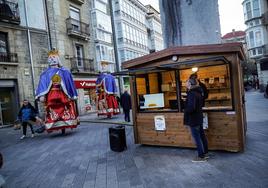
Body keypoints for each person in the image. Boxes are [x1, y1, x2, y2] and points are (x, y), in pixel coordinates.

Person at [35, 49, 79, 133]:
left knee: (64, 108)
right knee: (52, 109)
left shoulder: (64, 72)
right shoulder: (45, 73)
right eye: (50, 57)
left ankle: (64, 125)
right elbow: (42, 84)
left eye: (54, 57)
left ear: (58, 59)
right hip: (51, 95)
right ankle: (54, 125)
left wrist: (70, 94)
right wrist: (42, 95)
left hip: (62, 94)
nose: (52, 59)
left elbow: (68, 82)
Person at [183, 77, 209, 162]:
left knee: (197, 138)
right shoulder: (198, 92)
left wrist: (185, 109)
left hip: (193, 119)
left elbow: (191, 108)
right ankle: (205, 153)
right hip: (199, 117)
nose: (185, 83)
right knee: (202, 136)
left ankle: (201, 156)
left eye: (186, 81)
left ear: (190, 83)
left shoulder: (191, 93)